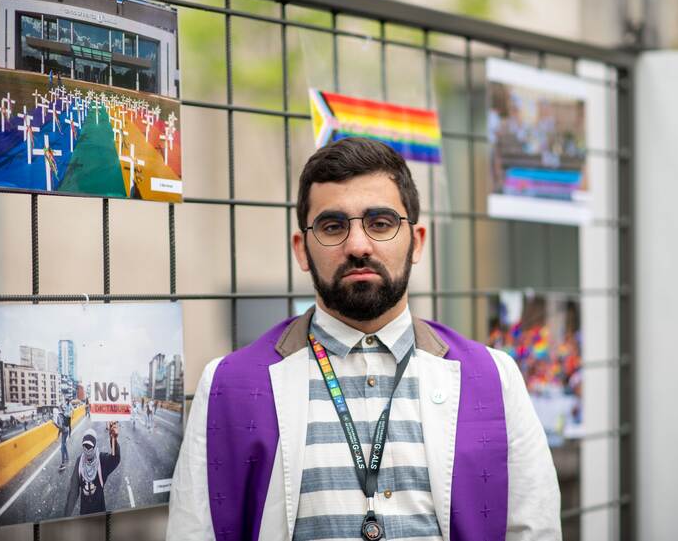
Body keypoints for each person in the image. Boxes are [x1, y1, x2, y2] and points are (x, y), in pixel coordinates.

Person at [167, 137, 561, 540]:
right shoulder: (228, 385)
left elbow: (535, 530)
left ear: (417, 242)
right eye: (333, 226)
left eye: (381, 223)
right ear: (302, 250)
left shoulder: (495, 378)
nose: (358, 246)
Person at [63, 424, 121, 516]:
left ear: (95, 445)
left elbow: (115, 459)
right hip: (85, 513)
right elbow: (73, 491)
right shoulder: (79, 462)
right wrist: (66, 516)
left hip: (100, 512)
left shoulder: (101, 459)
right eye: (85, 445)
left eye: (90, 446)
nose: (87, 449)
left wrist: (113, 440)